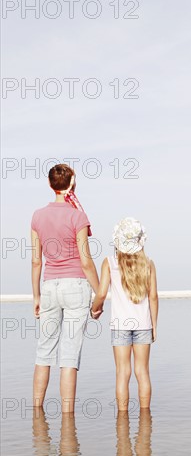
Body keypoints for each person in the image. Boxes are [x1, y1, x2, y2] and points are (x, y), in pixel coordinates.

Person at [31, 164, 99, 413]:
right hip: (75, 286)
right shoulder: (77, 216)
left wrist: (36, 295)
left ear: (51, 185)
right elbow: (85, 260)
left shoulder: (37, 216)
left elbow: (36, 260)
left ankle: (37, 415)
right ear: (72, 184)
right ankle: (68, 421)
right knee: (69, 355)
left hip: (49, 285)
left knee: (43, 352)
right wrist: (100, 291)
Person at [91, 217, 158, 411]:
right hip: (143, 324)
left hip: (120, 325)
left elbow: (102, 293)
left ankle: (122, 419)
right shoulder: (148, 264)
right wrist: (154, 325)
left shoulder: (110, 262)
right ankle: (146, 418)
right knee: (142, 372)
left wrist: (94, 309)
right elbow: (153, 297)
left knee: (122, 373)